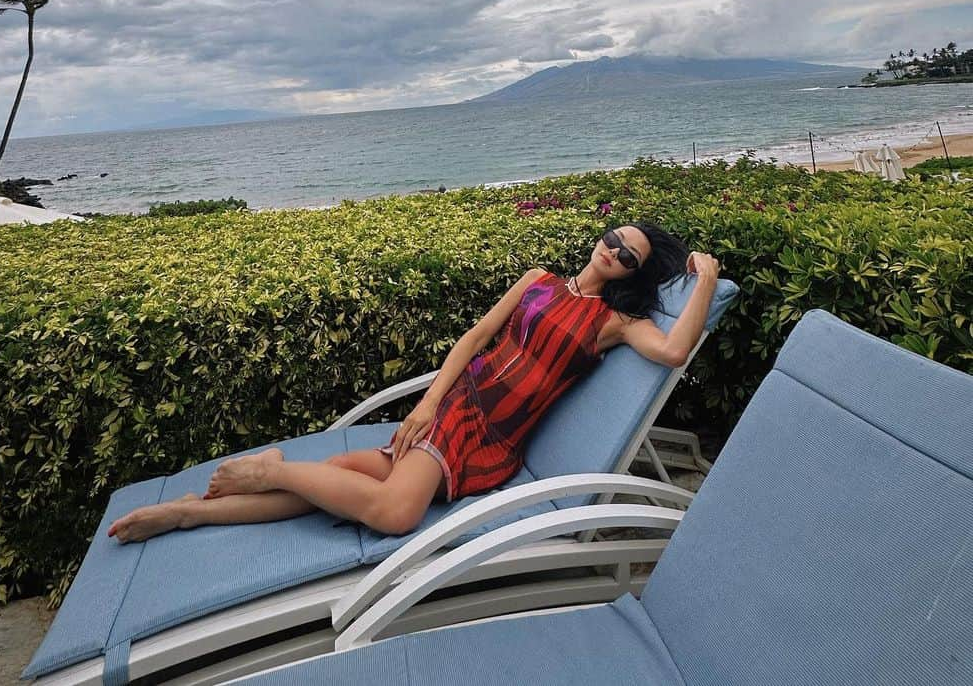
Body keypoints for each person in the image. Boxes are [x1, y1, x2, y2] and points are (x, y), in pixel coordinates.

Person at [107, 222, 720, 543]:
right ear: (599, 238)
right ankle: (263, 473)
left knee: (335, 491)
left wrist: (707, 281)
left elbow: (672, 350)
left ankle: (191, 513)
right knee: (395, 512)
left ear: (632, 274)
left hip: (495, 445)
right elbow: (474, 339)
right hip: (457, 411)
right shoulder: (538, 280)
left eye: (631, 256)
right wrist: (428, 403)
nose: (616, 251)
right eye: (615, 240)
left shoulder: (613, 322)